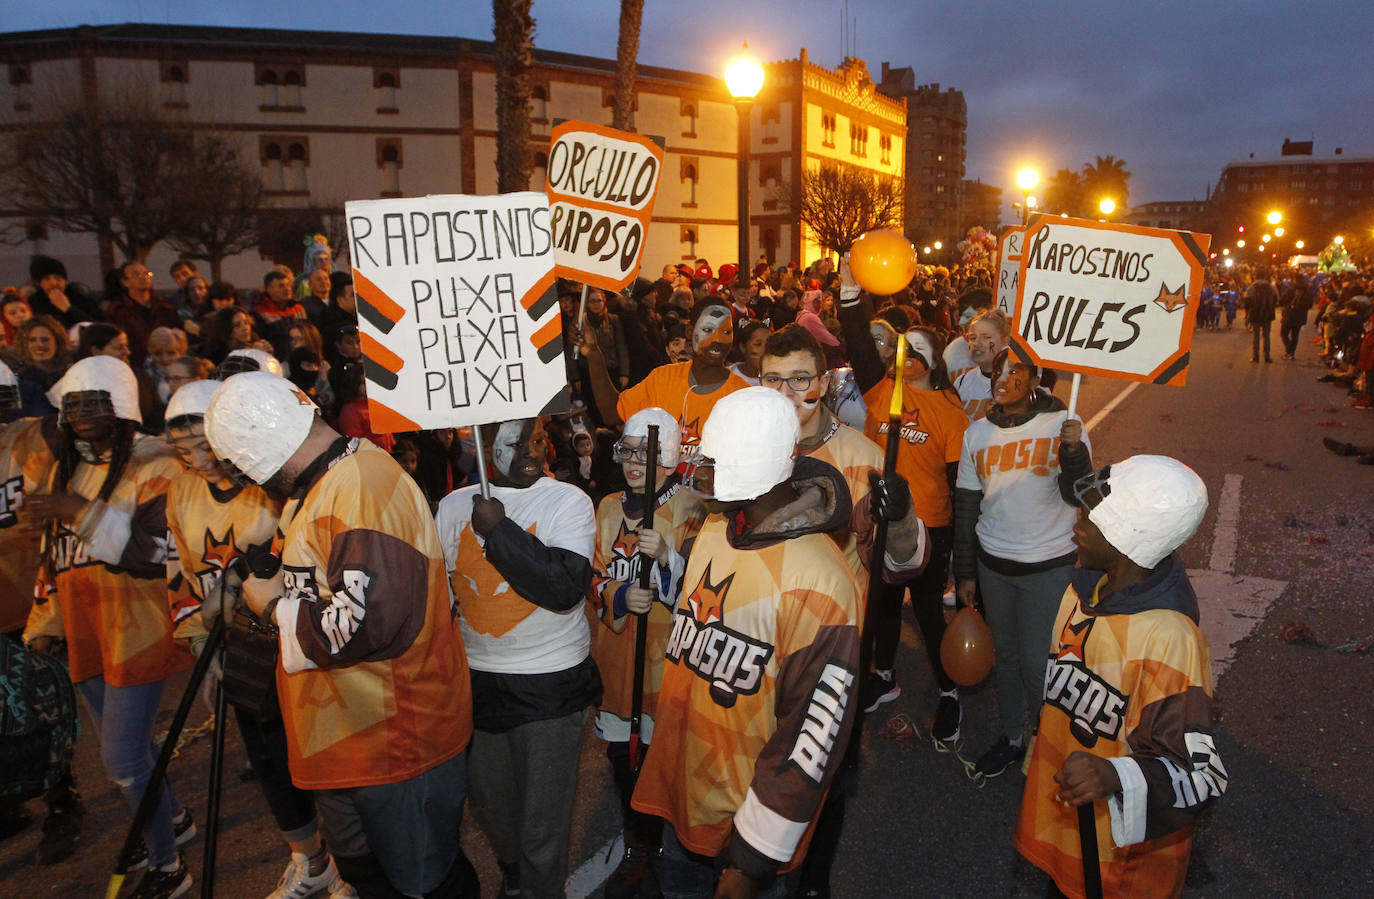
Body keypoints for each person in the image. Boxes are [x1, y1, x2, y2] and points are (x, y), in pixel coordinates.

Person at [206, 372, 476, 899]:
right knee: (365, 873)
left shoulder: (362, 486)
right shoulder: (322, 483)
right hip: (345, 734)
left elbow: (374, 619)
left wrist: (273, 607)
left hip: (394, 738)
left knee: (424, 882)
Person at [631, 388, 862, 899]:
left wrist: (754, 860)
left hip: (744, 831)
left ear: (753, 468)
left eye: (714, 462)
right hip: (685, 797)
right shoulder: (714, 531)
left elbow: (811, 736)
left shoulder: (820, 582)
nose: (700, 472)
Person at [162, 380, 355, 899]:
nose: (199, 460)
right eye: (184, 452)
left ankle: (348, 861)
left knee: (323, 753)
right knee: (267, 758)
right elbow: (178, 571)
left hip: (286, 632)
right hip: (235, 645)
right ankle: (309, 860)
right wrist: (201, 641)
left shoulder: (272, 485)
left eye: (206, 445)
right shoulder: (180, 491)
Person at [22, 356, 195, 897]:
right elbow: (56, 558)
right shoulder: (64, 469)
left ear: (120, 405)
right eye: (72, 407)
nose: (81, 418)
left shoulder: (157, 462)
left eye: (94, 404)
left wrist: (78, 509)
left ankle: (169, 866)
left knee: (120, 762)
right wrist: (43, 622)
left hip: (139, 627)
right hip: (86, 629)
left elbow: (149, 554)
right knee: (136, 756)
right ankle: (174, 820)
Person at [1016, 455, 1225, 899]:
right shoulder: (1080, 590)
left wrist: (1116, 776)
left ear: (1128, 533)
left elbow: (1200, 776)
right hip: (1068, 823)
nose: (1078, 520)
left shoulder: (1171, 638)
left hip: (1119, 864)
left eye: (1093, 514)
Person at [434, 417, 602, 899]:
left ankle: (540, 889)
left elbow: (564, 588)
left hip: (550, 684)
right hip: (480, 682)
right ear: (482, 446)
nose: (534, 451)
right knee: (489, 804)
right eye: (518, 441)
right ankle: (515, 873)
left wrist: (498, 529)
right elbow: (442, 597)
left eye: (538, 439)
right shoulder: (450, 507)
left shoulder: (568, 501)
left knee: (541, 823)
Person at [838, 278, 969, 744]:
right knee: (885, 606)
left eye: (917, 348)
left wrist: (957, 549)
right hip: (879, 520)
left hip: (929, 525)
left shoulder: (951, 413)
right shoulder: (881, 392)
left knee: (931, 614)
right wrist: (852, 299)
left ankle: (949, 691)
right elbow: (857, 346)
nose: (906, 354)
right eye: (902, 347)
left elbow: (960, 486)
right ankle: (886, 675)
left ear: (936, 361)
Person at [953, 350, 1092, 778]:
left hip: (1048, 567)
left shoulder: (1063, 425)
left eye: (1015, 370)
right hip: (995, 566)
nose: (1003, 377)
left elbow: (1080, 494)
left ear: (1034, 377)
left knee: (1038, 663)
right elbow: (966, 506)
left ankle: (1047, 744)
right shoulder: (976, 433)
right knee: (1007, 658)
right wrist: (965, 571)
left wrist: (1072, 452)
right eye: (998, 370)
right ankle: (1013, 736)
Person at [587, 408, 705, 899]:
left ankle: (663, 846)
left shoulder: (694, 508)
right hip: (618, 657)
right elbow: (592, 574)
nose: (633, 462)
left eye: (645, 452)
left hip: (666, 663)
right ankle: (637, 841)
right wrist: (615, 594)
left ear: (671, 458)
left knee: (662, 759)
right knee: (622, 757)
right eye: (627, 451)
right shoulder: (609, 505)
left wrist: (667, 561)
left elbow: (706, 596)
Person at [0, 360, 84, 865]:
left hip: (33, 597)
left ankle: (63, 800)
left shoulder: (32, 437)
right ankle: (10, 798)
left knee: (43, 708)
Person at [581, 298, 751, 461]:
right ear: (690, 332)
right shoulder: (662, 378)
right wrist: (593, 354)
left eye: (726, 332)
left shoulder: (742, 395)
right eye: (708, 330)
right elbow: (612, 414)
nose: (718, 340)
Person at [106, 261, 182, 367]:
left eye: (146, 273)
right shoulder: (118, 310)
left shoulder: (166, 307)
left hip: (167, 365)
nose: (144, 277)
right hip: (135, 366)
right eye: (137, 275)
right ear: (125, 282)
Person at [952, 308, 1012, 422]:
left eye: (986, 337)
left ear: (1005, 341)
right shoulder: (961, 383)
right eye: (972, 338)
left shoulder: (1022, 381)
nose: (977, 343)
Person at [1244, 279, 1278, 363]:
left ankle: (1256, 357)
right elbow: (1275, 300)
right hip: (1267, 315)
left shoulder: (1252, 288)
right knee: (1266, 336)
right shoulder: (1271, 287)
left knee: (1256, 336)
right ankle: (1267, 356)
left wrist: (1248, 313)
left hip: (1255, 314)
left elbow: (1247, 302)